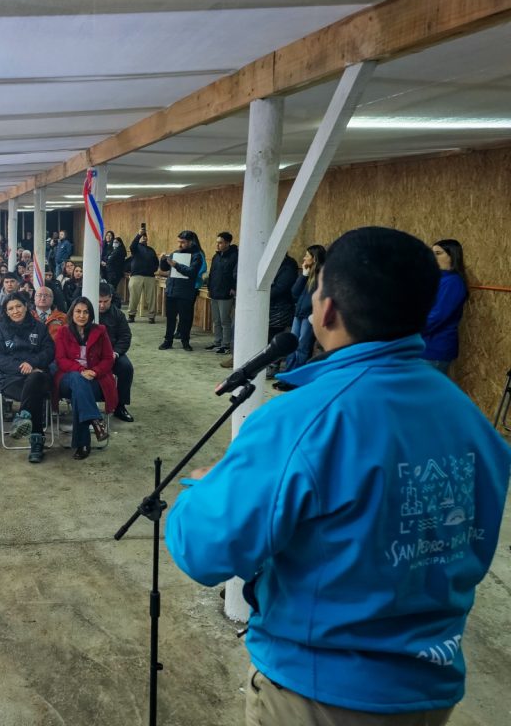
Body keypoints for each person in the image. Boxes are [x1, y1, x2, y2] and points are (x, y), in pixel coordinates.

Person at [164, 226, 511, 724]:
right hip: (430, 690)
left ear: (326, 310)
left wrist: (207, 487)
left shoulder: (301, 420)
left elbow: (204, 551)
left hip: (319, 694)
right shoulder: (472, 423)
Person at [0, 292, 54, 463]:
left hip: (38, 376)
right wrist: (22, 368)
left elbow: (49, 351)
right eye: (11, 308)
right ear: (6, 312)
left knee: (35, 381)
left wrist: (32, 363)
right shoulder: (1, 329)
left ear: (26, 307)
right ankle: (37, 442)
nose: (15, 311)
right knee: (34, 392)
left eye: (18, 306)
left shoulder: (39, 327)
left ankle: (23, 417)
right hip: (12, 380)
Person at [53, 297, 116, 460]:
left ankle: (83, 444)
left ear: (91, 314)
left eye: (86, 312)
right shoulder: (63, 331)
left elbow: (108, 359)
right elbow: (61, 359)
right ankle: (95, 419)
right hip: (68, 378)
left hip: (95, 380)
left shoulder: (100, 331)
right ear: (71, 313)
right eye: (78, 311)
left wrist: (94, 371)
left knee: (79, 394)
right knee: (77, 379)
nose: (82, 316)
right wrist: (81, 370)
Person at [422, 239, 469, 376]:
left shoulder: (453, 282)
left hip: (434, 350)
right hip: (424, 348)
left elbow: (436, 316)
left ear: (452, 256)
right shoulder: (438, 279)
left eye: (438, 253)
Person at [279, 245, 326, 377]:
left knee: (302, 347)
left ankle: (296, 376)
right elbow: (294, 293)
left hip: (309, 315)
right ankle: (288, 375)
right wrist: (303, 275)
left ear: (314, 258)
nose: (304, 258)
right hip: (299, 313)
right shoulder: (308, 274)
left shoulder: (322, 275)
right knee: (292, 345)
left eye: (307, 256)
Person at [158, 230, 203, 351]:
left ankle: (185, 341)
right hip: (172, 291)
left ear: (190, 242)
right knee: (170, 318)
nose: (179, 245)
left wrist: (176, 265)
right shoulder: (175, 253)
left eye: (182, 242)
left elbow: (191, 272)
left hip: (186, 292)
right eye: (178, 242)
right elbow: (164, 268)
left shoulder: (197, 256)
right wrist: (163, 260)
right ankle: (168, 341)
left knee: (185, 319)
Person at [97, 282, 134, 422]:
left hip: (112, 353)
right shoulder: (86, 312)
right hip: (89, 354)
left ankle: (120, 406)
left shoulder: (118, 314)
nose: (102, 305)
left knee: (126, 368)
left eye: (105, 301)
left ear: (111, 298)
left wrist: (116, 353)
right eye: (99, 301)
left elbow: (125, 337)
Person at [206, 231, 238, 353]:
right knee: (216, 320)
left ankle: (226, 344)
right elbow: (212, 273)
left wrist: (233, 287)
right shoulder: (216, 256)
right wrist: (209, 288)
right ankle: (217, 342)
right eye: (217, 242)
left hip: (226, 293)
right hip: (214, 291)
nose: (217, 245)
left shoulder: (235, 256)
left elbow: (237, 274)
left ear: (228, 243)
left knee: (225, 320)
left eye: (220, 243)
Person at [127, 227, 159, 323]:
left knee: (151, 298)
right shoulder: (136, 248)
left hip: (150, 276)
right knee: (134, 297)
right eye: (142, 236)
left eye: (145, 236)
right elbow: (132, 246)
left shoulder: (151, 250)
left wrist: (153, 269)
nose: (144, 238)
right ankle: (131, 315)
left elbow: (156, 262)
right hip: (136, 276)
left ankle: (151, 316)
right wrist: (139, 234)